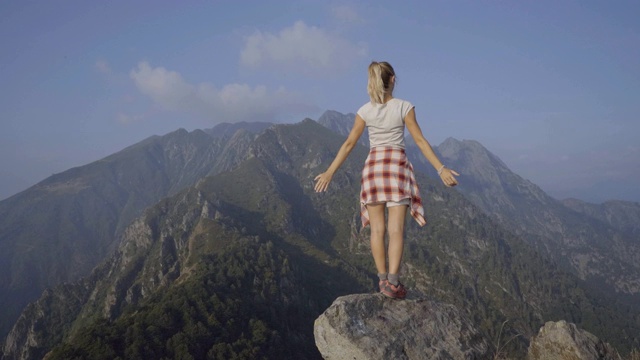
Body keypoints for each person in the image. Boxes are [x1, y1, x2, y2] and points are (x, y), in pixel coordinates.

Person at [314, 61, 459, 299]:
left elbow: (349, 143)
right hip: (396, 167)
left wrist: (330, 172)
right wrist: (440, 168)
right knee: (396, 230)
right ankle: (394, 283)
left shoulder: (365, 111)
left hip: (373, 169)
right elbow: (420, 141)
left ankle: (382, 281)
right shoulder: (404, 107)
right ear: (392, 79)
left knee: (377, 230)